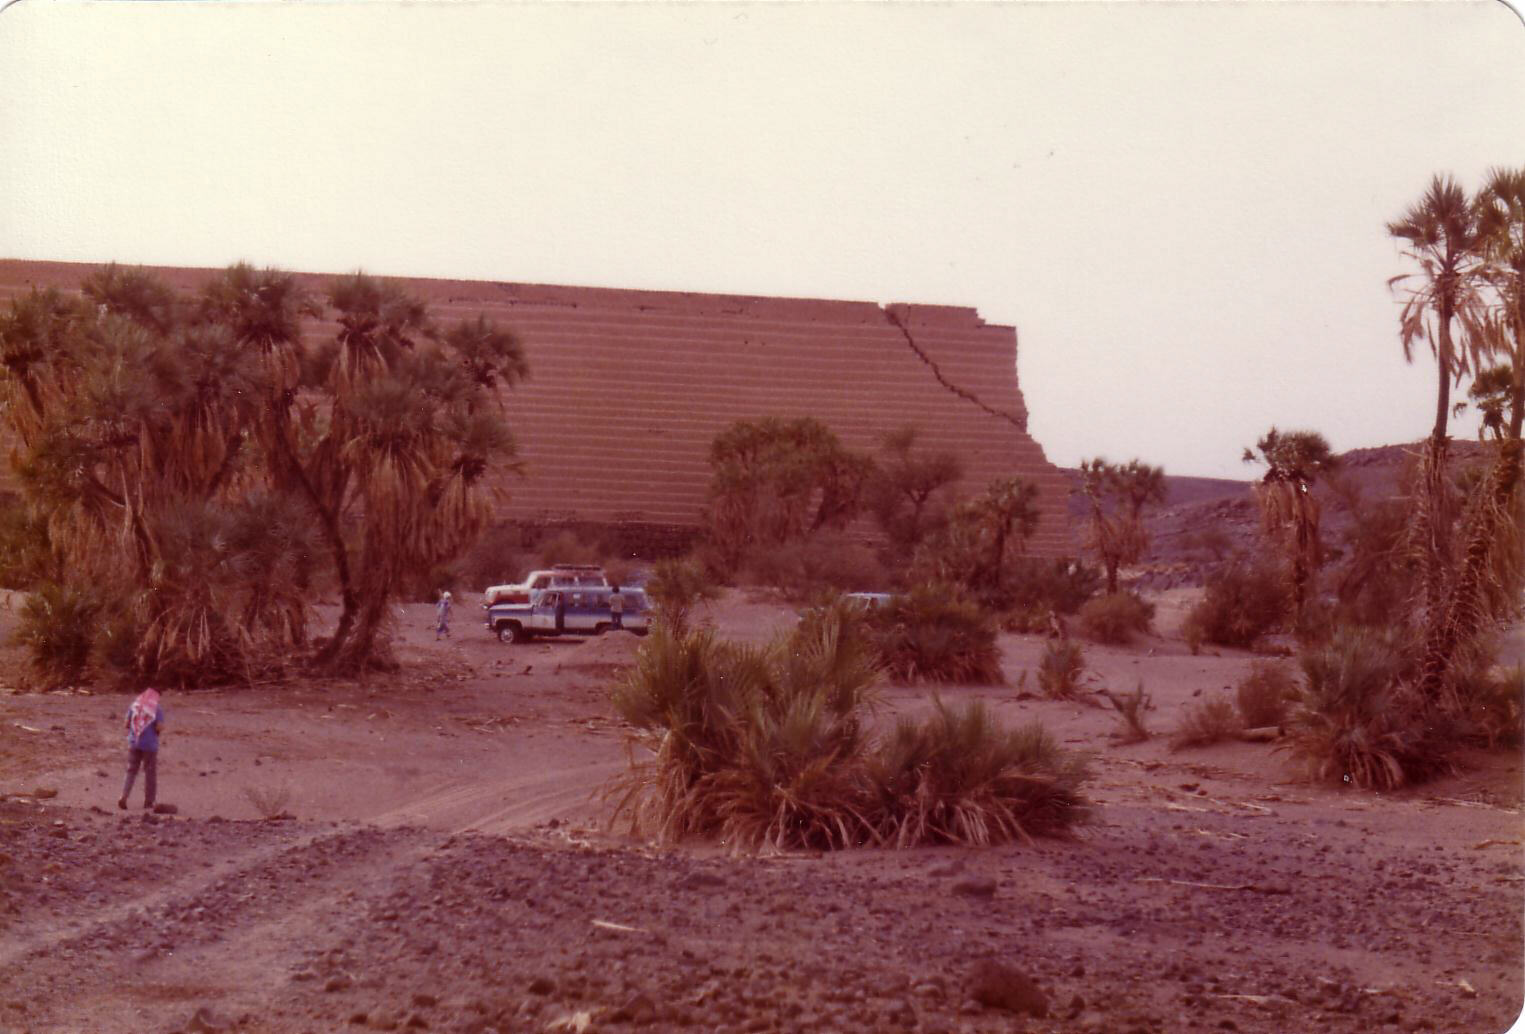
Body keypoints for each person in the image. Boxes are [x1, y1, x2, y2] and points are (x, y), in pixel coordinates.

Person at [118, 687, 165, 811]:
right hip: (150, 746)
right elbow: (159, 727)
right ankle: (149, 801)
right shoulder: (156, 709)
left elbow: (126, 724)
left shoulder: (134, 706)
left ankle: (124, 796)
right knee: (150, 773)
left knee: (131, 771)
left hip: (134, 743)